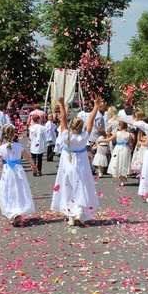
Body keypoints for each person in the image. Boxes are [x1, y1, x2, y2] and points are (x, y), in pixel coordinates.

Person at [51, 95, 101, 227]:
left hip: (67, 165)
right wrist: (96, 105)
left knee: (68, 188)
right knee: (81, 188)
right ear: (81, 127)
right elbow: (91, 120)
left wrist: (61, 103)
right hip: (81, 166)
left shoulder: (66, 135)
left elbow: (62, 118)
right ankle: (79, 212)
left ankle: (71, 217)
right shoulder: (84, 137)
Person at [0, 124, 38, 226]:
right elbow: (28, 157)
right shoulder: (19, 146)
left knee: (8, 190)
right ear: (14, 134)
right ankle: (18, 210)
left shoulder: (0, 148)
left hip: (7, 172)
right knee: (19, 190)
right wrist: (33, 166)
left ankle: (12, 212)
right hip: (18, 171)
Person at [106, 120, 133, 186]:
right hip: (126, 148)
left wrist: (101, 140)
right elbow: (130, 143)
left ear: (120, 126)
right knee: (124, 162)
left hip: (118, 148)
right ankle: (125, 178)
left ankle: (122, 180)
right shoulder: (128, 134)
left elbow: (108, 139)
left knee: (118, 162)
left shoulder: (117, 133)